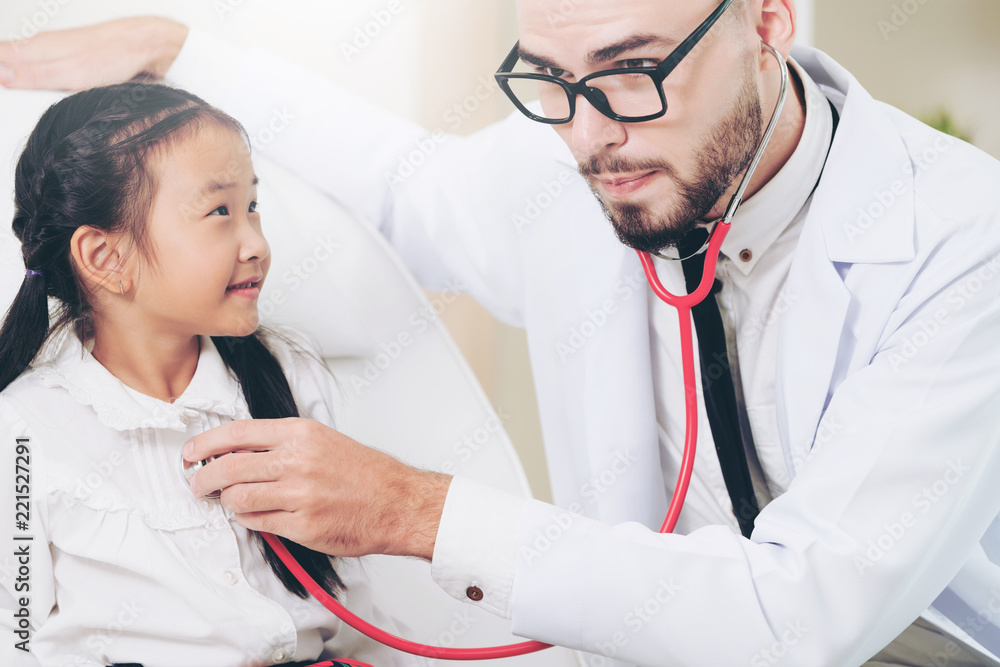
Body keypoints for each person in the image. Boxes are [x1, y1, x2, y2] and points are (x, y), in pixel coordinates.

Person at [3, 1, 1000, 665]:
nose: (588, 136)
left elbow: (804, 613)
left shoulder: (961, 241)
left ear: (769, 18)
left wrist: (412, 510)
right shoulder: (574, 164)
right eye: (550, 83)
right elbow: (400, 182)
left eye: (632, 70)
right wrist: (181, 52)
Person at [0, 81, 416, 667]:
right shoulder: (22, 434)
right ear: (105, 257)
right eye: (219, 211)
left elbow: (355, 616)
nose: (256, 243)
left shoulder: (291, 380)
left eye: (253, 205)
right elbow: (13, 643)